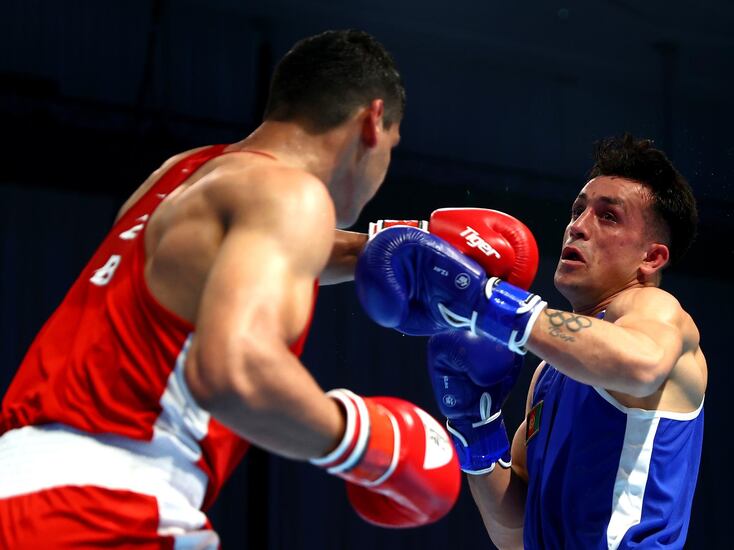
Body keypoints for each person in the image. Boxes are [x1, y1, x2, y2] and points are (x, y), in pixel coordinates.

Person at [0, 29, 464, 548]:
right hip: (106, 506)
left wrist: (381, 248)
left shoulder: (182, 173)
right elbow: (230, 372)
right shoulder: (292, 195)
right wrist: (371, 442)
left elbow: (267, 245)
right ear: (373, 122)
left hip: (22, 490)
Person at [357, 134, 705, 549]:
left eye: (608, 217)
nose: (578, 226)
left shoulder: (657, 309)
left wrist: (483, 299)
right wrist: (476, 431)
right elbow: (516, 534)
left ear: (651, 258)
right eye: (578, 211)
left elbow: (641, 364)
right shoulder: (549, 373)